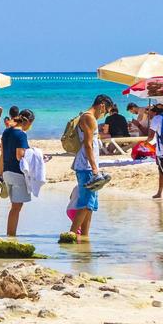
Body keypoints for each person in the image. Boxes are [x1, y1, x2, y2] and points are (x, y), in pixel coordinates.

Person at [63, 94, 111, 243]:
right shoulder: (88, 118)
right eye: (106, 111)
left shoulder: (89, 118)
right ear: (101, 105)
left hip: (88, 164)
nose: (105, 114)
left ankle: (84, 237)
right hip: (86, 166)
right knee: (85, 203)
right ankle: (70, 236)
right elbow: (88, 144)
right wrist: (95, 169)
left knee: (90, 205)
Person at [0, 108, 35, 236]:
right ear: (28, 122)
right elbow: (20, 155)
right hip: (17, 173)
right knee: (16, 207)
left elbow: (2, 154)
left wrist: (0, 173)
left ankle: (10, 235)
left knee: (14, 207)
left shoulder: (6, 132)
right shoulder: (21, 135)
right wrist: (32, 154)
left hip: (7, 172)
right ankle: (11, 235)